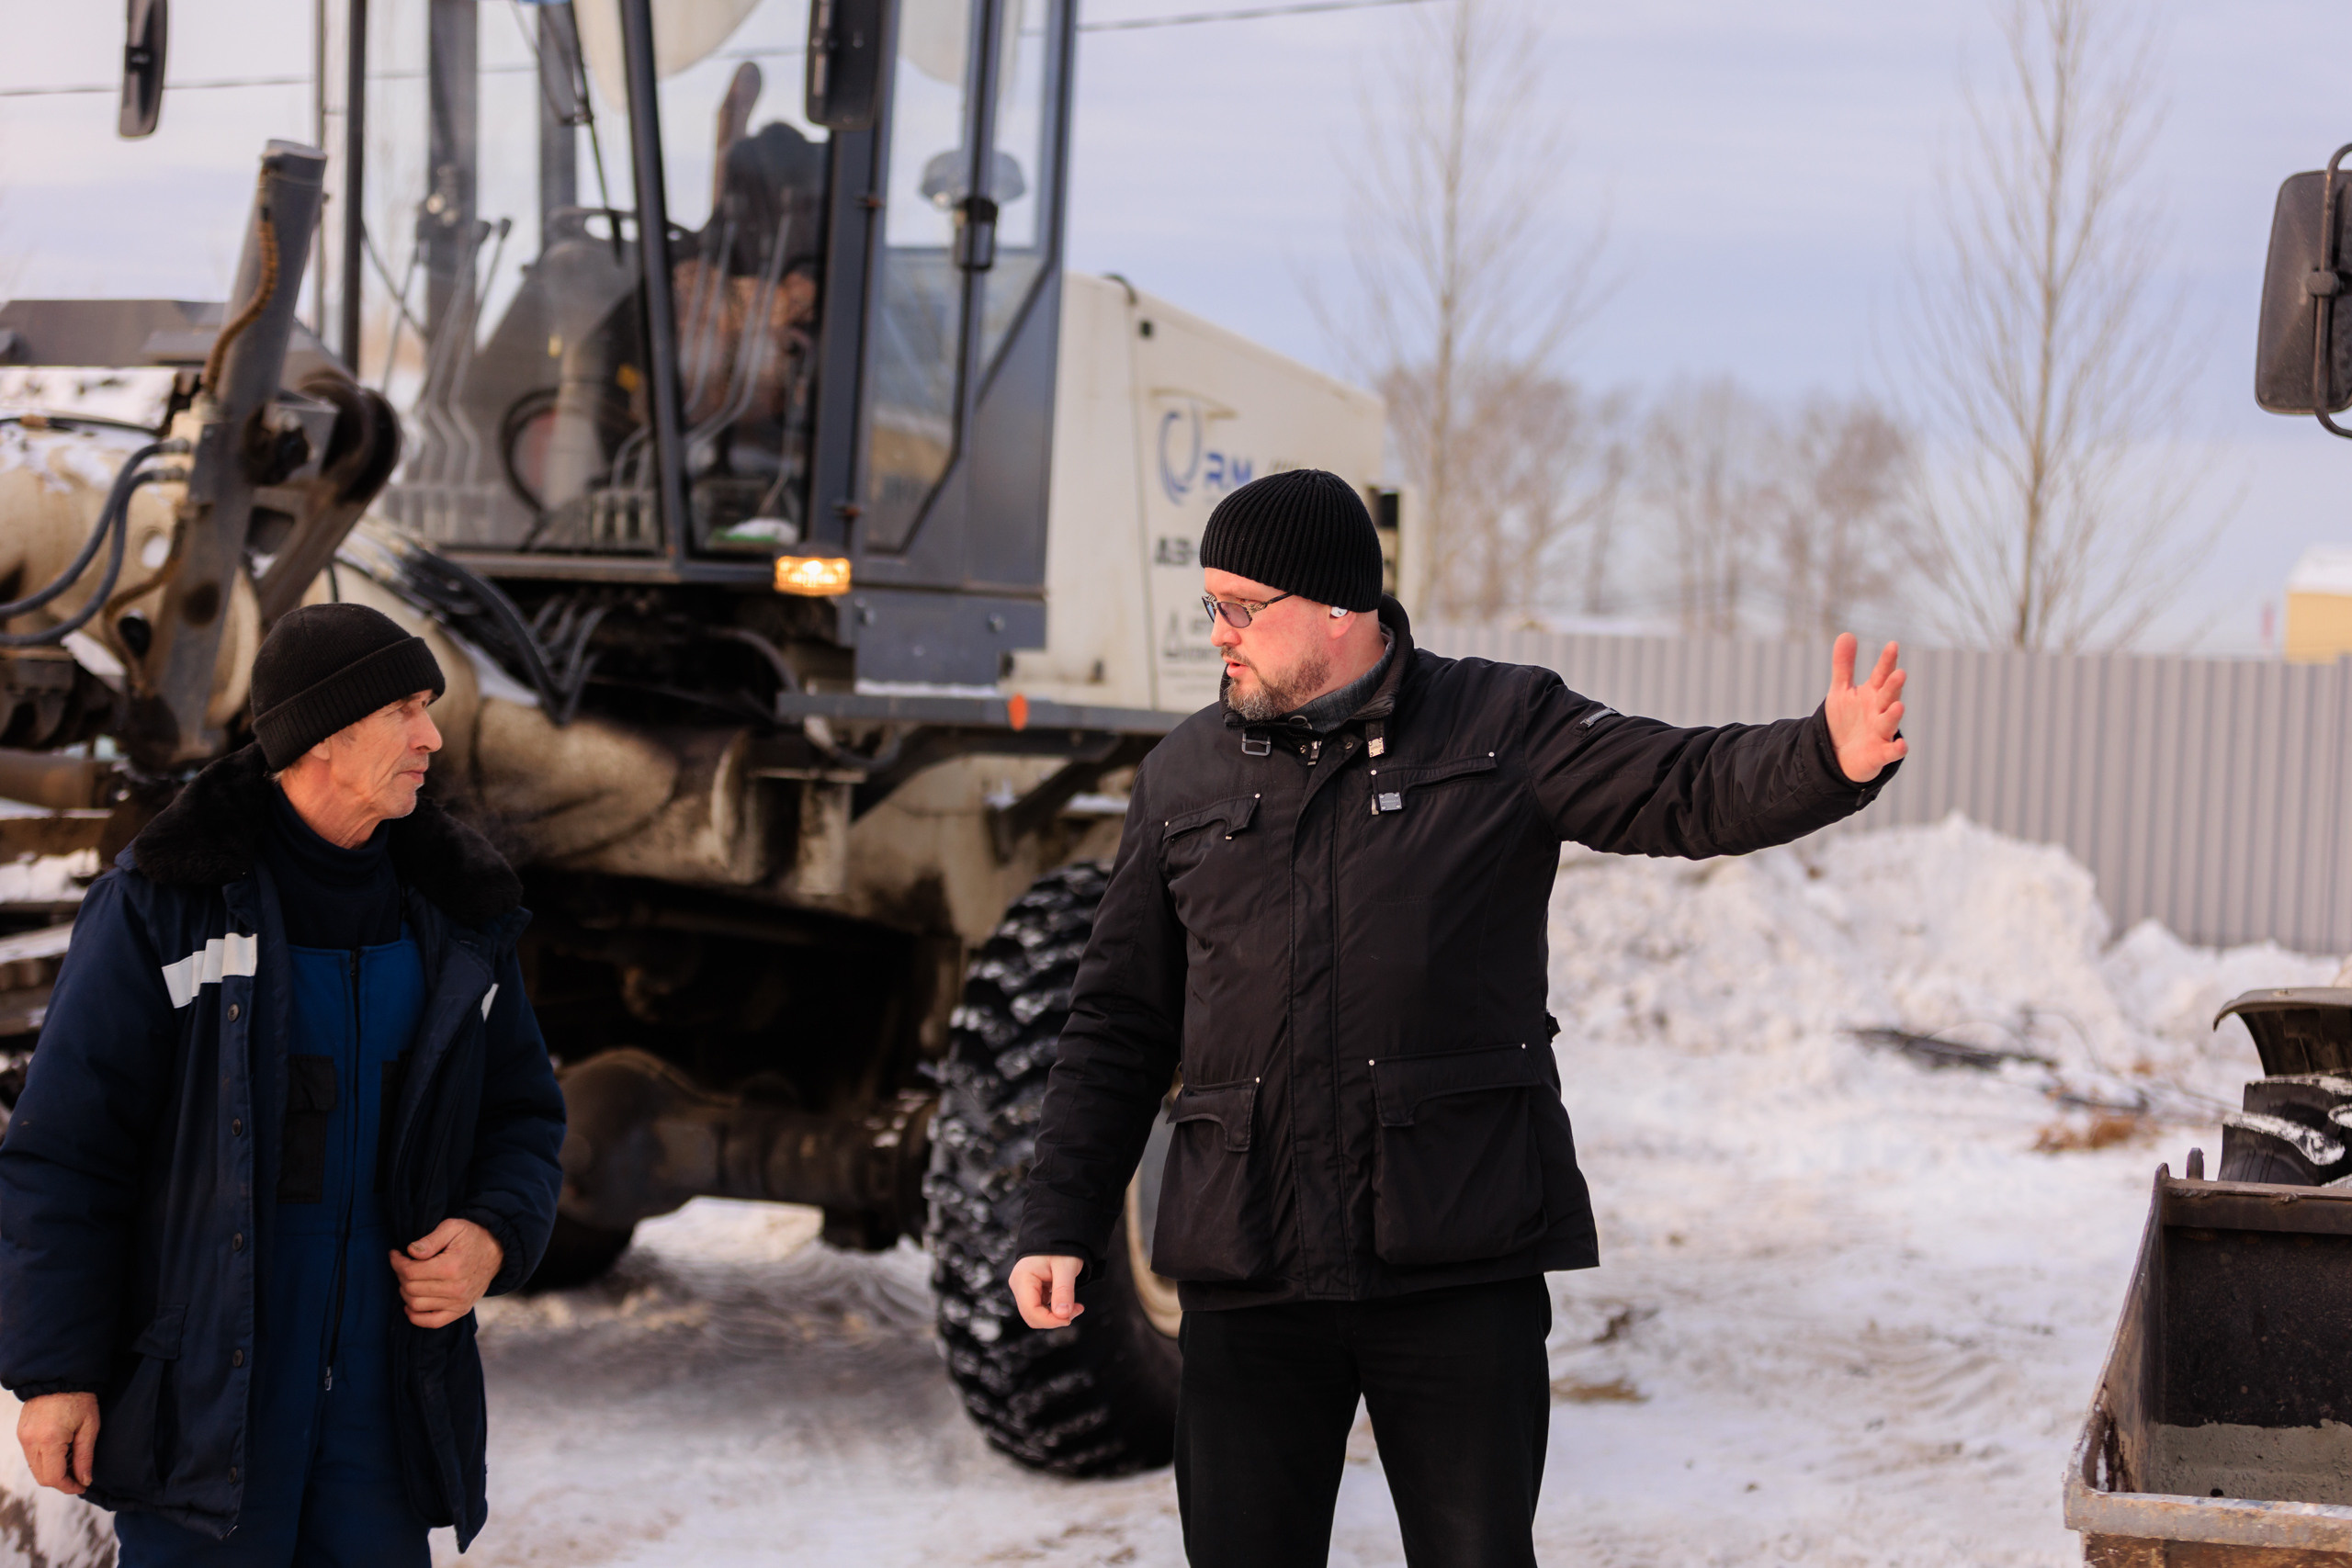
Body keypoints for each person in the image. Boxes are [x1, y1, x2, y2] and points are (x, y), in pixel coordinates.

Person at [1008, 468, 1908, 1567]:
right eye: (1209, 607)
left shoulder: (1501, 725)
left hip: (1452, 1261)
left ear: (1336, 610)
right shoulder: (1184, 773)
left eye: (1240, 608)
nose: (1217, 636)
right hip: (1251, 1274)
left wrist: (1824, 757)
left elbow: (1678, 784)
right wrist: (1058, 1217)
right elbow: (1117, 1019)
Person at [0, 603, 566, 1564]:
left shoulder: (458, 912)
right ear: (321, 737)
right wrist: (55, 1372)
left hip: (382, 1420)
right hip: (206, 1412)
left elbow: (520, 1114)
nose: (431, 735)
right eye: (403, 710)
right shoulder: (165, 905)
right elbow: (65, 1155)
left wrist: (495, 1232)